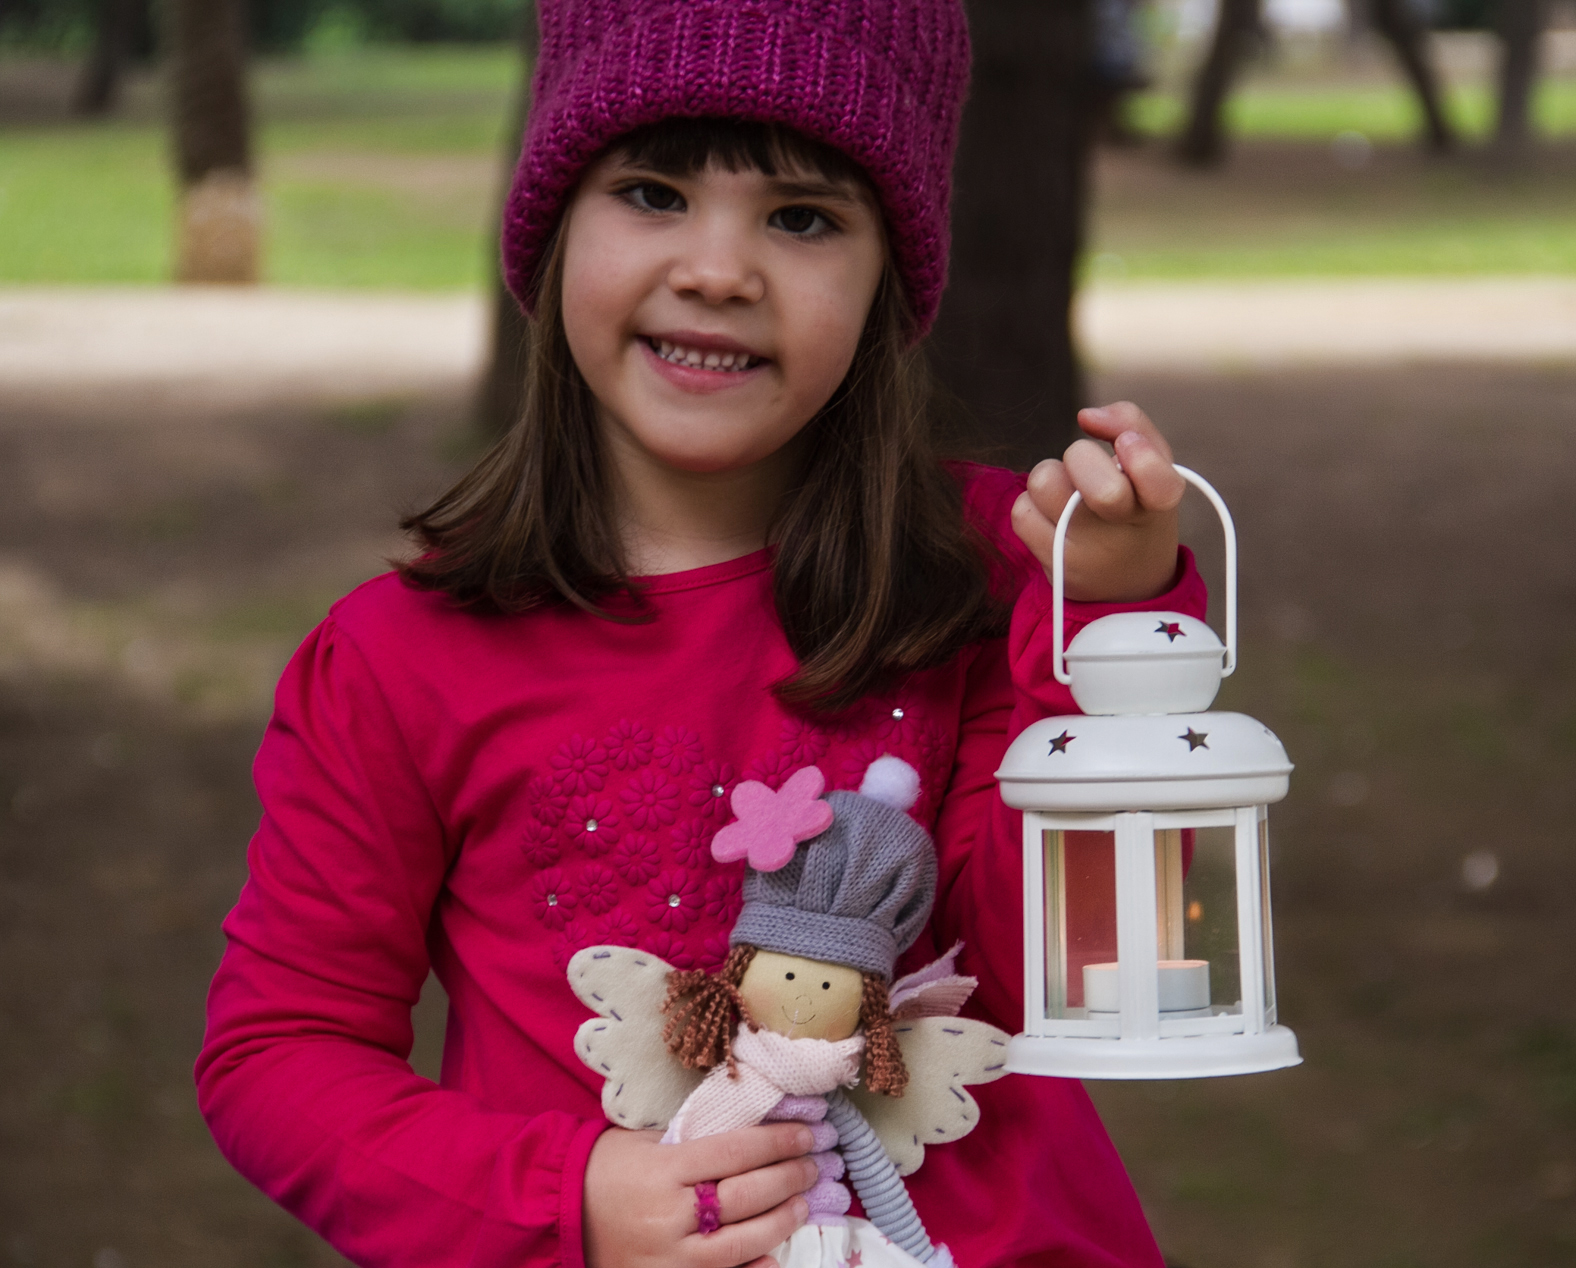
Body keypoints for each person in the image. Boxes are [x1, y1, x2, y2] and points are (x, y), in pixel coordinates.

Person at [195, 1, 1206, 1266]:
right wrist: (563, 1196)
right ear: (551, 226)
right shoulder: (398, 657)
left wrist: (1108, 631)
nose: (719, 270)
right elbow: (282, 1049)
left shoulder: (1001, 574)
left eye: (802, 217)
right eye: (653, 193)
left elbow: (1082, 969)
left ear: (889, 277)